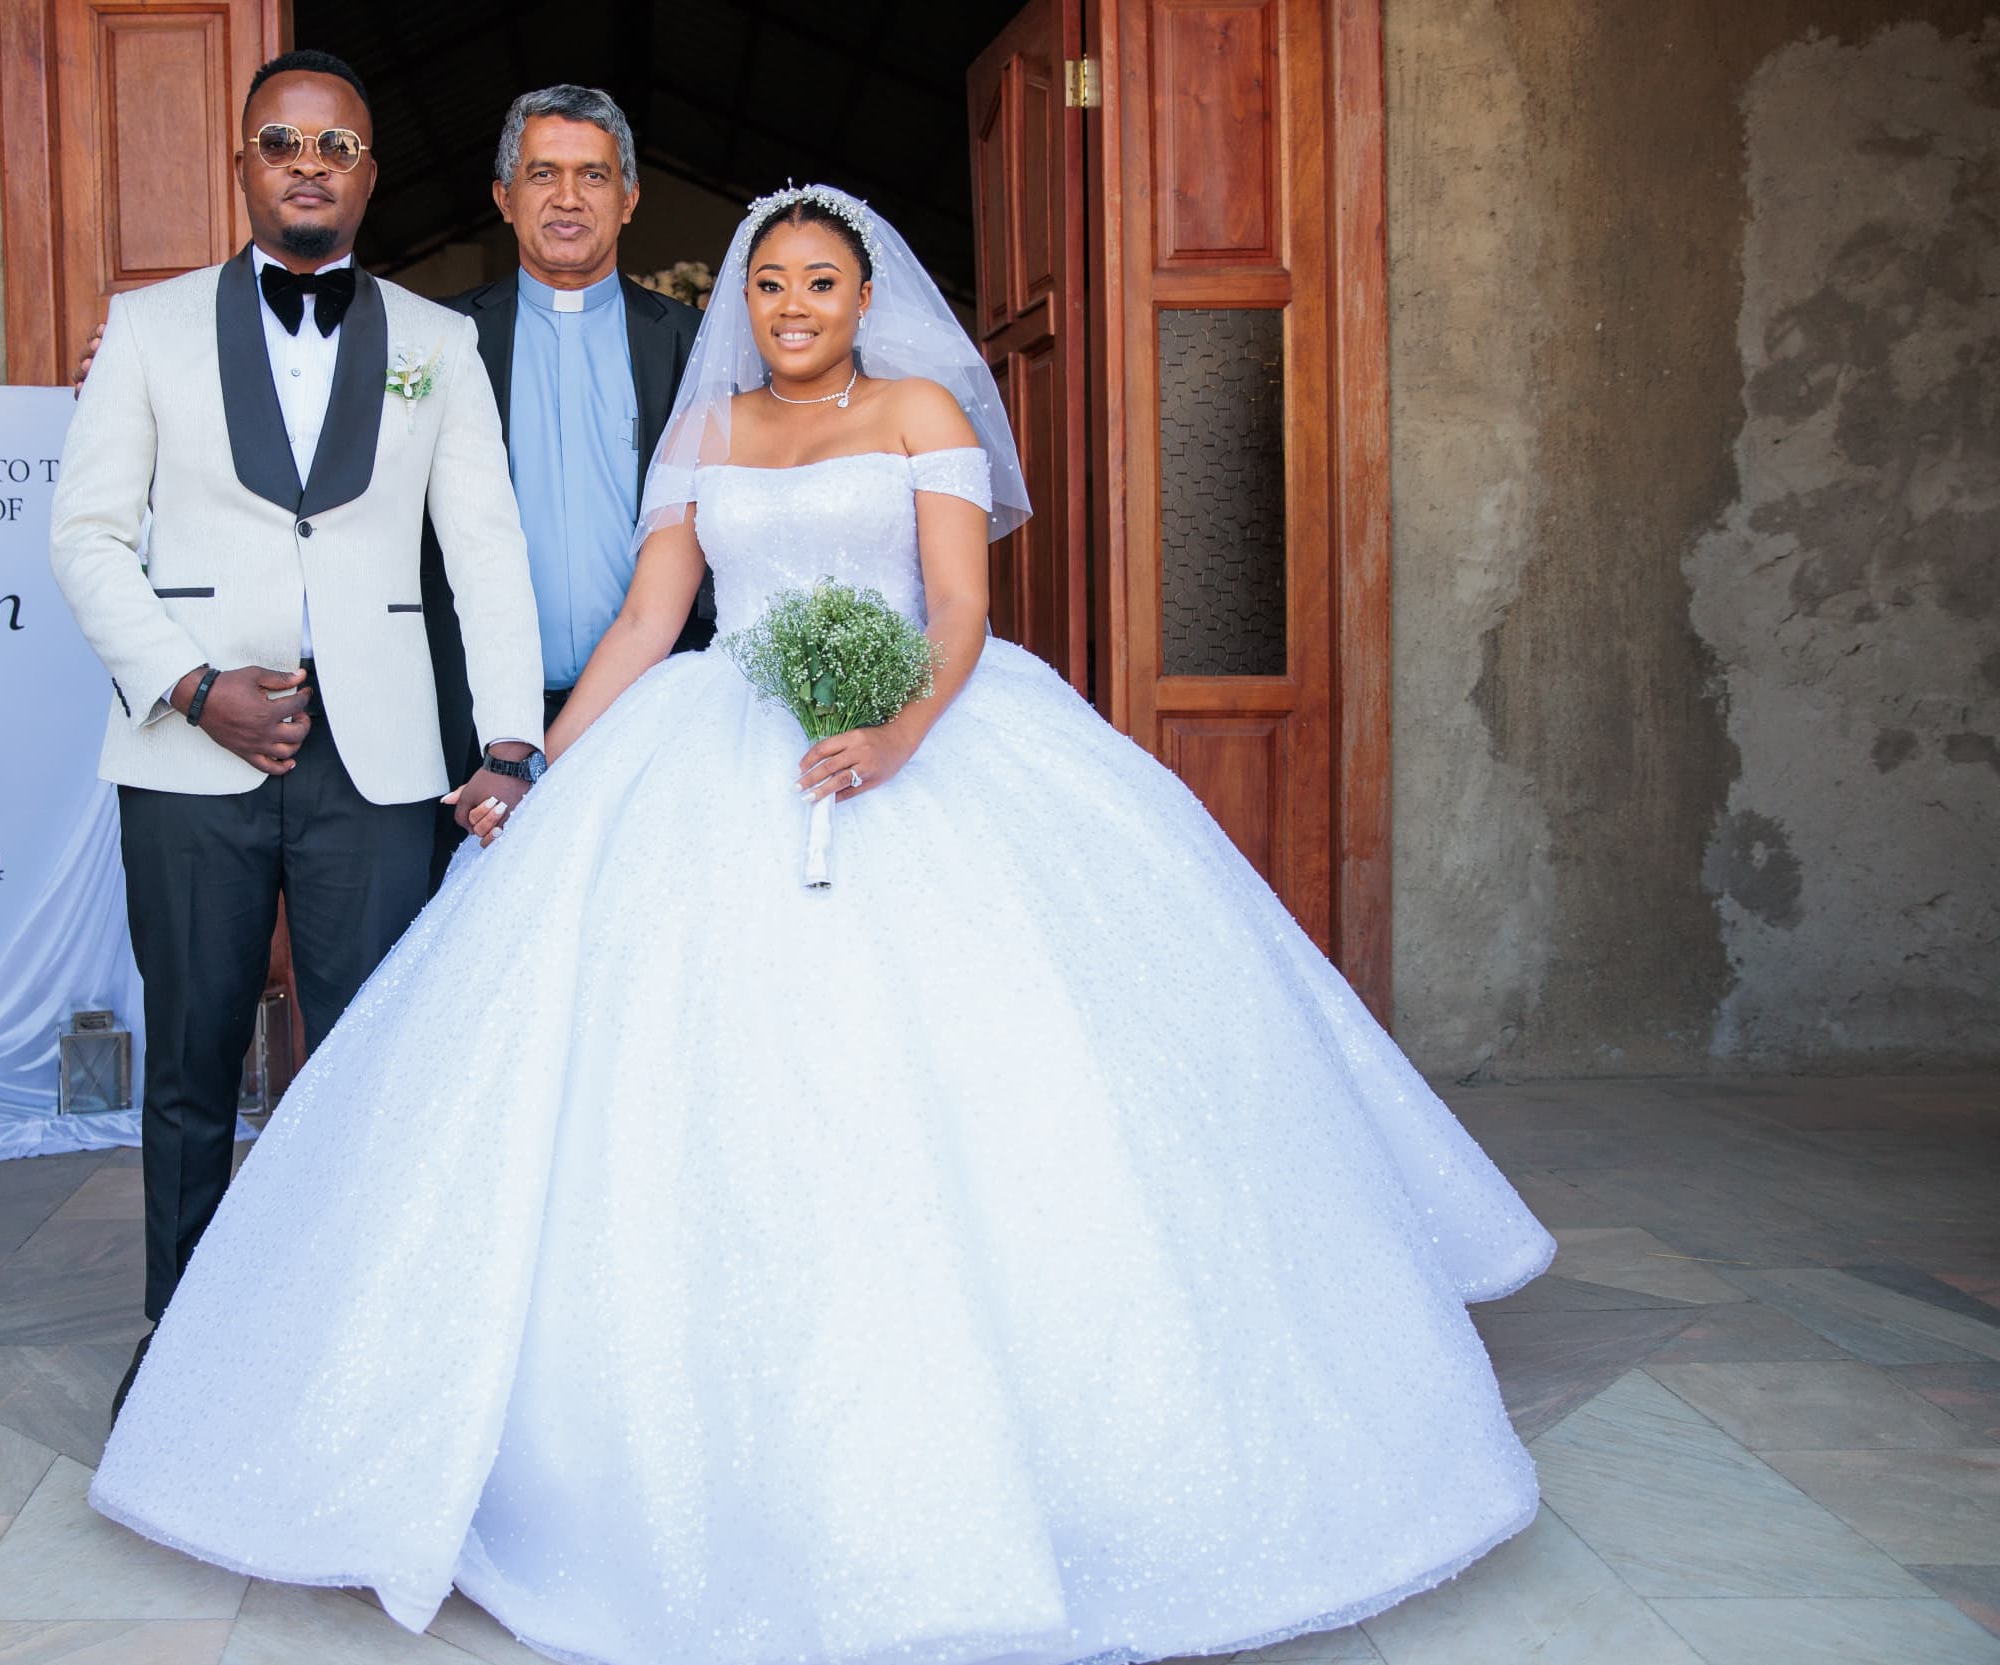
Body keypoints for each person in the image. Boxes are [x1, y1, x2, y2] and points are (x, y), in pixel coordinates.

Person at [89, 185, 1554, 1665]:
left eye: (820, 284)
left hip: (911, 744)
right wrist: (542, 763)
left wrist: (901, 733)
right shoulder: (710, 432)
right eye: (771, 284)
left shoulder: (921, 405)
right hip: (715, 751)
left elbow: (962, 611)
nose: (792, 307)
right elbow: (655, 620)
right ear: (745, 301)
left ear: (866, 298)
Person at [49, 48, 544, 1420]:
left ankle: (362, 1344)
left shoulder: (438, 345)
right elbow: (84, 537)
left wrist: (508, 739)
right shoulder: (143, 332)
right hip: (190, 745)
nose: (309, 165)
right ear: (246, 167)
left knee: (372, 1064)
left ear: (369, 173)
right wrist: (191, 682)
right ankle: (185, 1336)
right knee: (193, 1056)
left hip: (381, 757)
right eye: (284, 143)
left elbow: (486, 555)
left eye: (336, 147)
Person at [417, 85, 710, 886]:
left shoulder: (696, 344)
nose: (570, 198)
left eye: (594, 175)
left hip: (655, 705)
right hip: (472, 712)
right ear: (504, 199)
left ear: (629, 198)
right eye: (543, 174)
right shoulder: (433, 339)